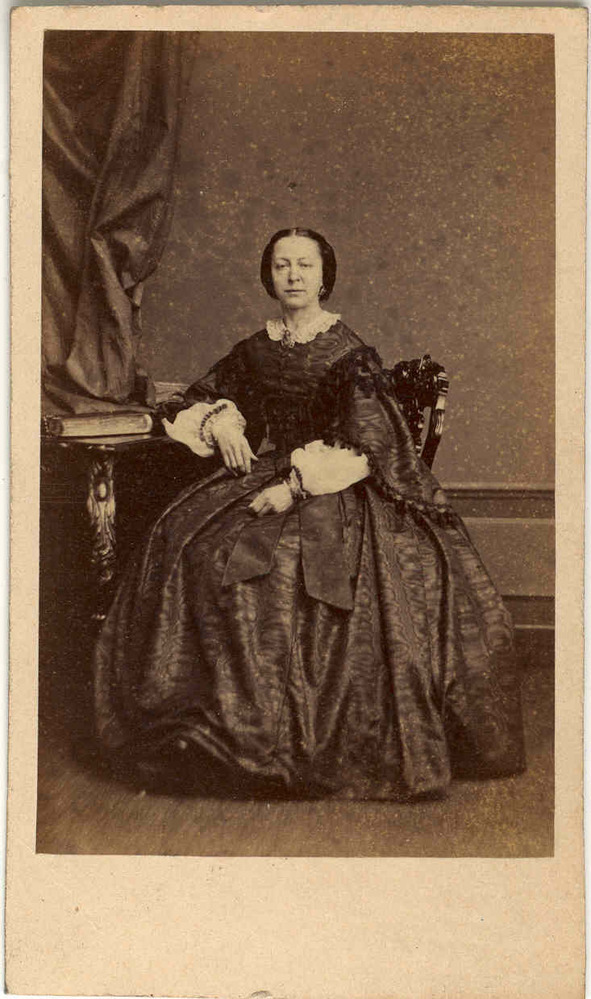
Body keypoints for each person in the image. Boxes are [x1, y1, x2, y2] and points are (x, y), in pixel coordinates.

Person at [93, 227, 526, 800]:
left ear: (325, 277)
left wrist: (296, 486)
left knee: (282, 570)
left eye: (304, 265)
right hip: (265, 472)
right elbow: (195, 397)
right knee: (187, 544)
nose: (293, 275)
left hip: (336, 489)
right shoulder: (257, 348)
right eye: (281, 266)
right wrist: (224, 422)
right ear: (268, 277)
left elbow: (372, 444)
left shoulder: (348, 352)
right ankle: (213, 730)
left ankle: (286, 741)